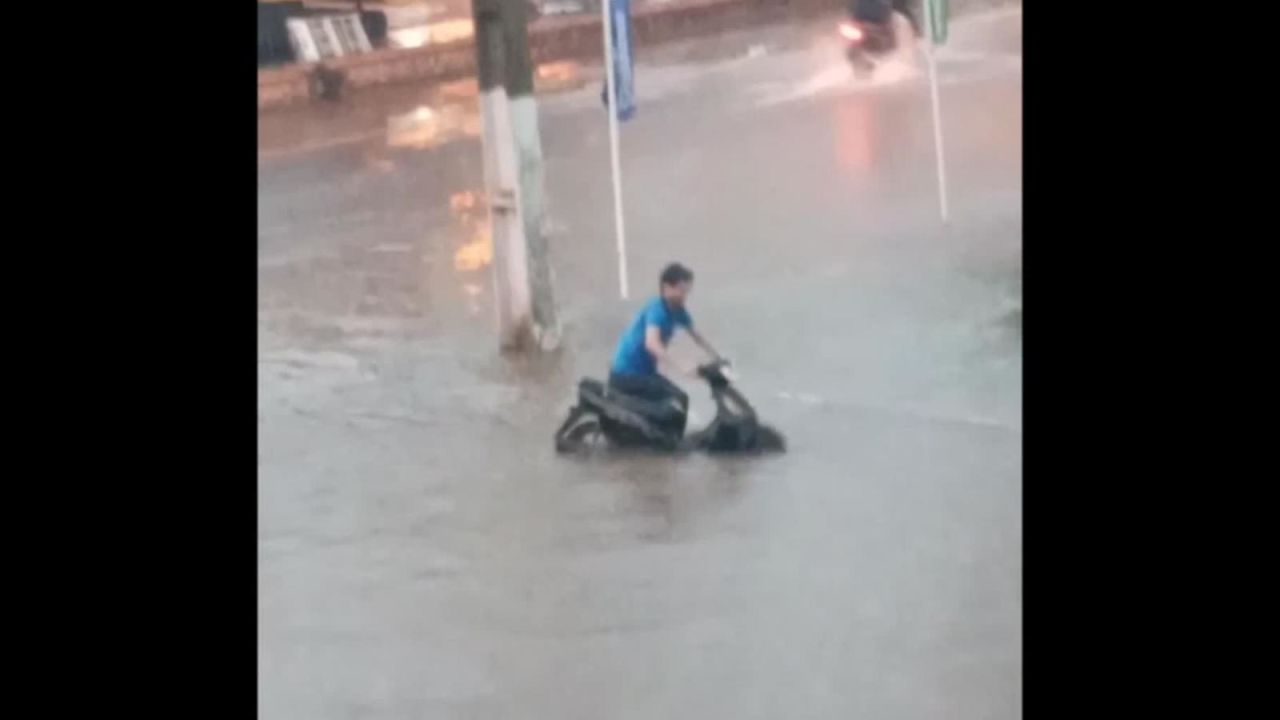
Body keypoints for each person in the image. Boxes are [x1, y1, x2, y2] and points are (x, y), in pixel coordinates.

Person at [609, 263, 718, 413]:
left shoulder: (678, 310)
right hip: (628, 374)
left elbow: (697, 336)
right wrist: (682, 367)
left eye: (687, 291)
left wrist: (717, 358)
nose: (685, 295)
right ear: (667, 288)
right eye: (681, 290)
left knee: (678, 401)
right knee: (676, 403)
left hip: (645, 372)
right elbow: (652, 343)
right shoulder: (657, 309)